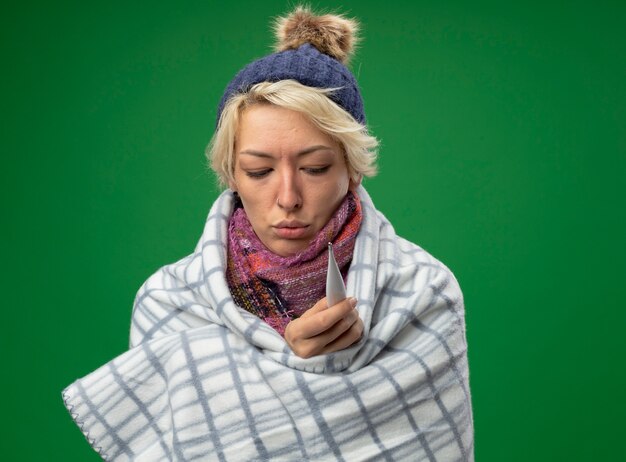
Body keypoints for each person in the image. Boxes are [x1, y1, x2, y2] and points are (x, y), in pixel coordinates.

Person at [63, 6, 474, 461]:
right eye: (259, 171)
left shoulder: (423, 290)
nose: (288, 197)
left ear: (353, 170)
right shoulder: (169, 302)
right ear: (231, 174)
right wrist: (292, 360)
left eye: (315, 168)